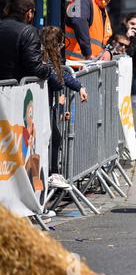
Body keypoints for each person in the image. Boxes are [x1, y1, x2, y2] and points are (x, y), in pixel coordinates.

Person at [41, 26, 88, 189]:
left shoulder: (47, 57)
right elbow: (58, 80)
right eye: (61, 45)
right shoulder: (43, 57)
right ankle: (49, 175)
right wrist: (62, 84)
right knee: (51, 139)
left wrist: (79, 86)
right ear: (56, 44)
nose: (62, 48)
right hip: (42, 106)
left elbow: (62, 75)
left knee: (55, 138)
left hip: (47, 105)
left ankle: (52, 173)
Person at [0, 0, 50, 81]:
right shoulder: (28, 32)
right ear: (29, 13)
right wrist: (48, 69)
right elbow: (36, 68)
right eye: (34, 12)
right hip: (17, 89)